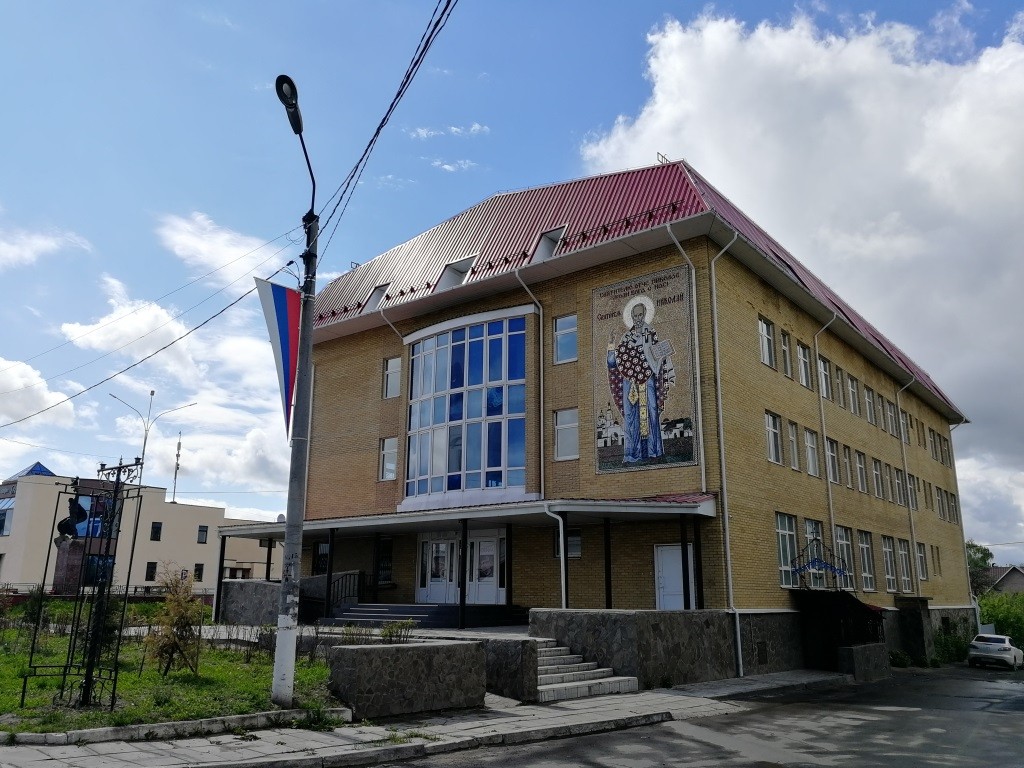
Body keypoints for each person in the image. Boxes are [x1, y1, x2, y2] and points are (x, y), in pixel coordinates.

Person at [606, 296, 675, 463]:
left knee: (652, 411)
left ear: (644, 315)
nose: (638, 318)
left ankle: (654, 452)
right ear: (631, 317)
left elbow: (657, 357)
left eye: (640, 315)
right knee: (630, 416)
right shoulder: (626, 338)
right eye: (635, 316)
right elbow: (614, 362)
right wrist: (611, 344)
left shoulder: (650, 334)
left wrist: (662, 356)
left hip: (648, 381)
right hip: (629, 383)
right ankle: (632, 454)